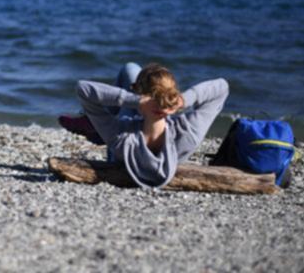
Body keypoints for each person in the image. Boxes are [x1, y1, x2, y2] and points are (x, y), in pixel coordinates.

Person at [61, 62, 228, 189]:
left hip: (125, 141)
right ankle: (96, 123)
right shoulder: (187, 134)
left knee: (130, 67)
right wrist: (185, 100)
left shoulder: (120, 137)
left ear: (139, 95)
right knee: (137, 74)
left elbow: (83, 89)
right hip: (158, 142)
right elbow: (222, 87)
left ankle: (95, 122)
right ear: (173, 96)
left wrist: (135, 101)